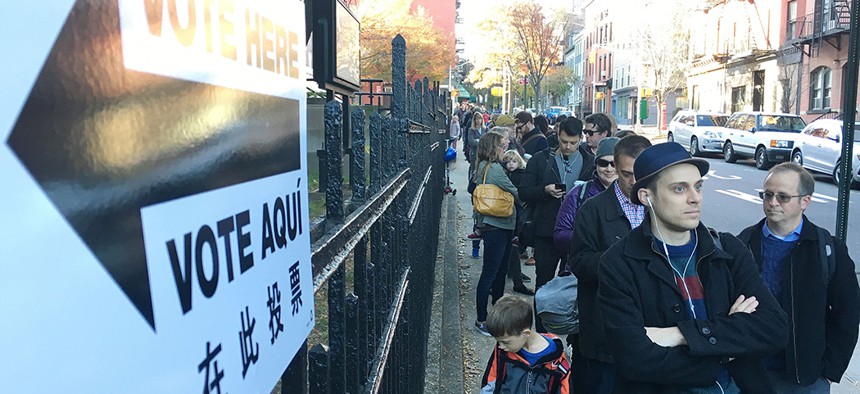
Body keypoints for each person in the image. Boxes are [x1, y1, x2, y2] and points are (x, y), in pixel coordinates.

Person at [597, 142, 788, 393]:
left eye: (698, 186)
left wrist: (681, 334)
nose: (695, 197)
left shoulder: (728, 250)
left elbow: (774, 329)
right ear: (647, 196)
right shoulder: (619, 263)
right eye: (679, 189)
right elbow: (634, 358)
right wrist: (725, 349)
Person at [736, 163, 860, 393]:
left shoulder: (827, 249)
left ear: (805, 202)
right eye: (767, 195)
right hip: (749, 372)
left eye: (783, 197)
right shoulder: (742, 244)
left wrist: (829, 372)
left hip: (805, 377)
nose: (773, 202)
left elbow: (847, 314)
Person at [566, 135, 650, 393]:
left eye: (642, 174)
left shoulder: (662, 207)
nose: (634, 182)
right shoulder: (593, 210)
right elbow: (579, 262)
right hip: (605, 338)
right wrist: (623, 261)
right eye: (626, 174)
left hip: (652, 336)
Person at [518, 117, 593, 331]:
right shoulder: (541, 159)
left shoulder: (590, 161)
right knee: (543, 282)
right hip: (546, 232)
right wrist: (544, 191)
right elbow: (523, 191)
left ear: (581, 139)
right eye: (563, 142)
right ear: (557, 136)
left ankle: (570, 328)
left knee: (574, 283)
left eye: (573, 142)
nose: (568, 147)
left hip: (576, 233)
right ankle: (542, 332)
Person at [473, 132, 520, 336]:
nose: (504, 149)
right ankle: (484, 319)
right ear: (493, 148)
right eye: (501, 146)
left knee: (496, 271)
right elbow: (516, 191)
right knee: (493, 273)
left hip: (492, 224)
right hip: (498, 224)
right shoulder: (494, 169)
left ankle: (492, 317)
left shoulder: (482, 166)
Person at [480, 295, 571, 394]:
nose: (500, 346)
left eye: (505, 342)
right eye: (499, 341)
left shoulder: (557, 364)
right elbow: (491, 380)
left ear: (526, 333)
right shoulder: (502, 352)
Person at [553, 137, 619, 252]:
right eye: (603, 163)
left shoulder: (633, 195)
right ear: (596, 165)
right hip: (585, 264)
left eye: (614, 164)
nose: (609, 169)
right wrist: (590, 238)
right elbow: (560, 234)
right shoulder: (579, 193)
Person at [502, 149, 534, 295]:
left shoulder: (518, 175)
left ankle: (515, 275)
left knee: (515, 245)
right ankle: (516, 277)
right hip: (510, 213)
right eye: (508, 161)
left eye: (513, 161)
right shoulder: (508, 174)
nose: (510, 164)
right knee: (513, 246)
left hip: (517, 214)